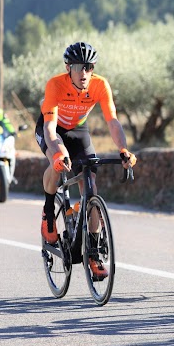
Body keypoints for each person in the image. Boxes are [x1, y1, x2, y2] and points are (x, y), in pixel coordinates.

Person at [36, 41, 136, 280]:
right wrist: (58, 153)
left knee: (90, 186)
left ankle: (93, 253)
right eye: (79, 67)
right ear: (68, 67)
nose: (84, 73)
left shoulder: (100, 85)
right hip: (53, 130)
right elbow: (50, 128)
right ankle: (49, 213)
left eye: (89, 67)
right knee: (55, 162)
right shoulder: (55, 85)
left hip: (79, 131)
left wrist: (123, 149)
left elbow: (112, 121)